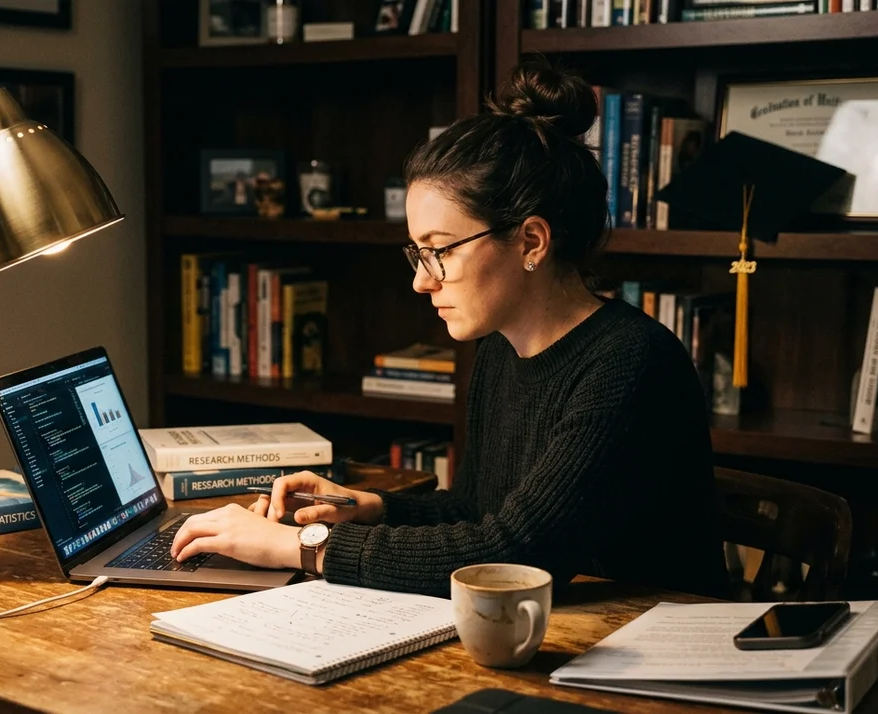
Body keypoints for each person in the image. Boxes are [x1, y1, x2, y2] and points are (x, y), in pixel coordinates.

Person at [170, 56, 730, 600]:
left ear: (531, 241)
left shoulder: (631, 363)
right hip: (556, 638)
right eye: (415, 252)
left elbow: (517, 554)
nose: (420, 282)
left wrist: (302, 545)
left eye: (439, 251)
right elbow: (479, 512)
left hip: (647, 657)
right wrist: (373, 507)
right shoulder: (500, 348)